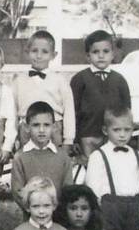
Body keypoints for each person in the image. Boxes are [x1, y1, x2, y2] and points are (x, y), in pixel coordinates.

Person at [69, 30, 131, 160]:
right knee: (92, 168)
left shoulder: (120, 80)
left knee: (111, 168)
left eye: (106, 51)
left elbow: (126, 110)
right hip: (88, 135)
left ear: (113, 54)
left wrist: (123, 132)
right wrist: (73, 138)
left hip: (113, 136)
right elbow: (72, 111)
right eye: (95, 52)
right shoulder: (80, 79)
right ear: (88, 56)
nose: (101, 56)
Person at [13, 30, 75, 150]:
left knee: (53, 165)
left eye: (45, 52)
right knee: (29, 164)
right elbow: (12, 112)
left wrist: (68, 139)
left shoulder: (60, 80)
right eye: (34, 51)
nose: (39, 56)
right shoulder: (18, 81)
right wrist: (13, 137)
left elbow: (69, 110)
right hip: (27, 129)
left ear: (53, 55)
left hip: (54, 129)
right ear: (27, 52)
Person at [11, 101, 74, 210]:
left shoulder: (63, 157)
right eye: (36, 125)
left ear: (54, 127)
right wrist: (34, 211)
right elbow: (18, 192)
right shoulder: (20, 157)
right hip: (31, 217)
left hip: (58, 218)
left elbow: (68, 190)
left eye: (46, 125)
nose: (41, 130)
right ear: (26, 127)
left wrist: (53, 210)